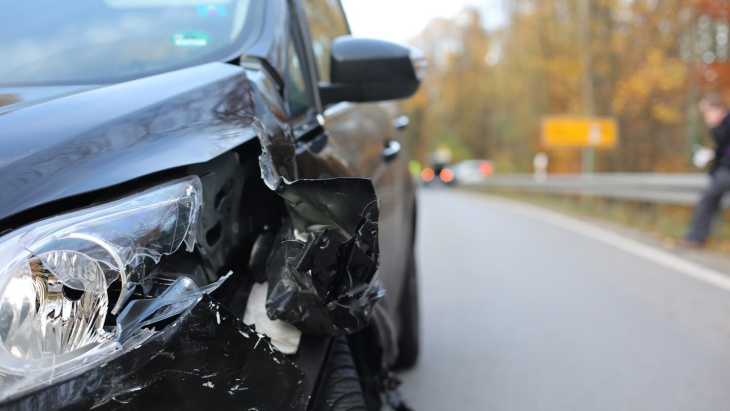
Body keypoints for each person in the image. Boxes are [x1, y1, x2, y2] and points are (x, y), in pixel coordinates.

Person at [683, 93, 730, 247]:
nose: (706, 118)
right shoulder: (722, 126)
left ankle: (696, 237)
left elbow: (724, 143)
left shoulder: (726, 123)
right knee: (709, 199)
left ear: (717, 109)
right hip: (724, 170)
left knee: (707, 198)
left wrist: (714, 127)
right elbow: (723, 149)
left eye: (707, 112)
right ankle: (697, 237)